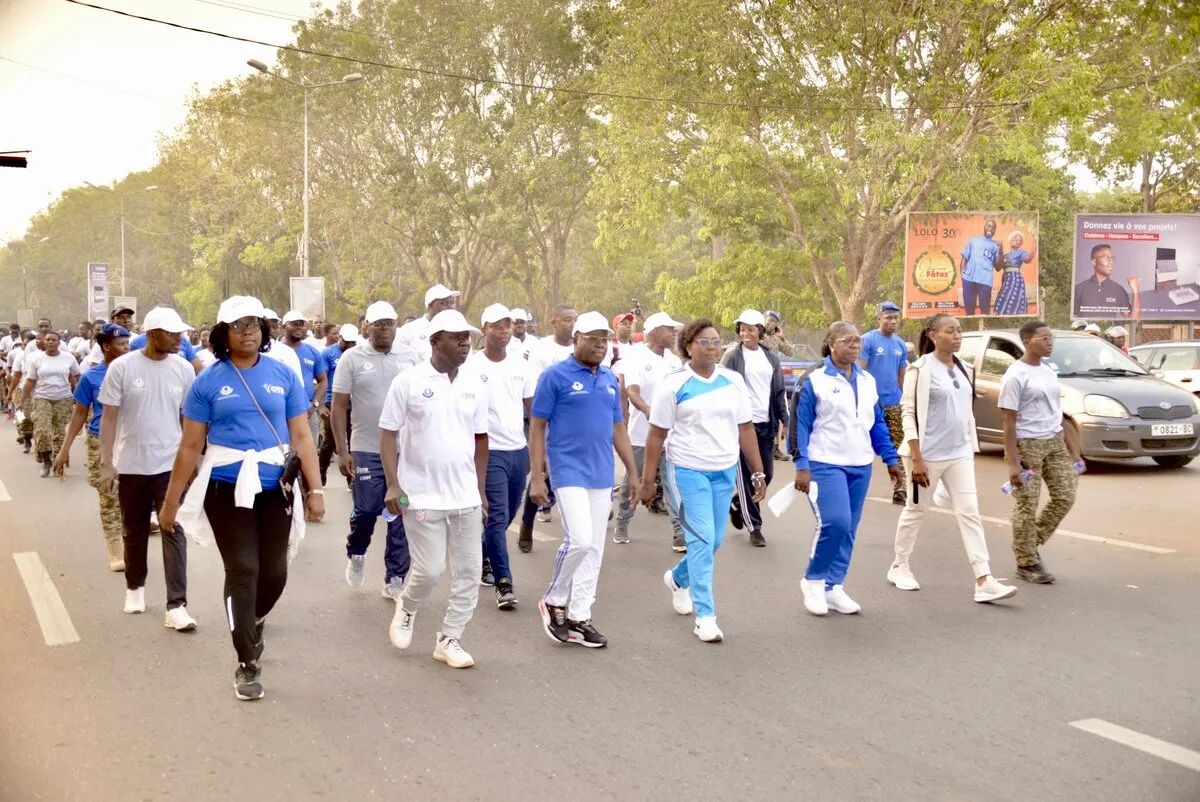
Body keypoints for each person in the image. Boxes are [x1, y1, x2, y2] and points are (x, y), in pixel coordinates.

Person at [159, 296, 325, 701]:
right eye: (238, 325)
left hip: (276, 487)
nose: (248, 330)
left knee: (275, 573)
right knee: (243, 569)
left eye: (253, 323)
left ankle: (254, 619)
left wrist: (316, 488)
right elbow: (189, 446)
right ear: (223, 335)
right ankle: (246, 660)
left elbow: (301, 435)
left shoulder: (282, 374)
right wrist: (170, 503)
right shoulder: (207, 382)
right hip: (225, 486)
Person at [642, 319, 765, 642]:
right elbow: (656, 435)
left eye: (716, 342)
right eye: (704, 342)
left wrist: (757, 471)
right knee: (700, 541)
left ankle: (678, 579)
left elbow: (746, 428)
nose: (712, 348)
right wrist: (646, 480)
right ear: (688, 347)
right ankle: (706, 615)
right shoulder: (673, 384)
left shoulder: (733, 381)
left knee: (714, 541)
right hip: (686, 470)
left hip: (724, 469)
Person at [382, 310, 488, 669]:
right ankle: (407, 607)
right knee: (429, 571)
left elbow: (481, 438)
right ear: (434, 341)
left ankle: (450, 638)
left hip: (465, 496)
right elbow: (388, 433)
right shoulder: (409, 381)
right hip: (421, 493)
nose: (464, 343)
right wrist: (394, 483)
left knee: (470, 572)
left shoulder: (474, 383)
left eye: (467, 337)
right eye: (456, 337)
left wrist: (481, 489)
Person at [887, 314, 1018, 603]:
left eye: (959, 331)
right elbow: (908, 413)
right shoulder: (919, 370)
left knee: (970, 511)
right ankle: (899, 566)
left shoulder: (965, 368)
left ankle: (984, 579)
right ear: (933, 335)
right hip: (926, 455)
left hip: (959, 452)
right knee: (916, 510)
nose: (957, 335)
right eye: (951, 331)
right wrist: (917, 457)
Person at [531, 311, 640, 649]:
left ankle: (580, 616)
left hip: (601, 473)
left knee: (594, 548)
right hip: (567, 470)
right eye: (592, 338)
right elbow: (537, 428)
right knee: (578, 540)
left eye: (604, 339)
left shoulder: (609, 378)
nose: (599, 344)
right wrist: (537, 476)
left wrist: (633, 472)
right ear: (575, 338)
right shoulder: (555, 376)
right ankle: (554, 599)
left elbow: (617, 428)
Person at [96, 308, 197, 630]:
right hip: (132, 464)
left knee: (172, 528)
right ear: (152, 334)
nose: (180, 338)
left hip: (170, 464)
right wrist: (107, 463)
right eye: (173, 333)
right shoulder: (122, 367)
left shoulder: (183, 369)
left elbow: (189, 419)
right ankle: (135, 587)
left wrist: (192, 461)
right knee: (135, 530)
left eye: (181, 332)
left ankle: (176, 605)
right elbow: (109, 418)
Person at [793, 322, 902, 617]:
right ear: (830, 343)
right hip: (824, 463)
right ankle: (813, 581)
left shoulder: (867, 380)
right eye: (848, 340)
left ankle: (834, 586)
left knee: (850, 529)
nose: (855, 345)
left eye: (858, 341)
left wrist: (891, 459)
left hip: (860, 464)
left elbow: (876, 422)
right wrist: (801, 464)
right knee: (836, 523)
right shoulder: (814, 380)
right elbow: (799, 425)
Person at [333, 302, 416, 597]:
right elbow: (339, 405)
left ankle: (395, 576)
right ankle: (357, 552)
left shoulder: (410, 357)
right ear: (366, 326)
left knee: (401, 512)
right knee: (367, 510)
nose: (384, 329)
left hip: (404, 449)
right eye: (378, 324)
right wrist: (342, 451)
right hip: (366, 447)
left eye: (389, 323)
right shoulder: (351, 359)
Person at [998, 321, 1082, 584]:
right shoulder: (1015, 375)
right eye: (1044, 338)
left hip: (1055, 441)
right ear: (1027, 342)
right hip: (1027, 445)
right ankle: (1027, 562)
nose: (1050, 342)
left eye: (1051, 338)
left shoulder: (1048, 372)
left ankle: (1029, 542)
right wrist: (1013, 463)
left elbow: (1059, 413)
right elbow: (1008, 421)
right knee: (1027, 504)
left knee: (1065, 496)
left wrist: (1075, 453)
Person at [465, 304, 536, 610]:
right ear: (485, 330)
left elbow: (534, 413)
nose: (504, 330)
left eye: (508, 325)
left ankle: (484, 555)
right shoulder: (470, 367)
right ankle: (503, 582)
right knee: (496, 517)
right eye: (497, 326)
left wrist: (541, 454)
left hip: (518, 452)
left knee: (505, 517)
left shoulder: (522, 366)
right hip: (488, 452)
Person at [53, 323, 131, 571]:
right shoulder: (91, 376)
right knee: (108, 495)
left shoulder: (137, 372)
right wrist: (65, 448)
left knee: (131, 495)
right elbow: (80, 414)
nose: (127, 348)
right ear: (106, 346)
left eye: (128, 342)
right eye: (121, 344)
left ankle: (131, 543)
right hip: (101, 440)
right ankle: (115, 550)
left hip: (132, 440)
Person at [612, 311, 685, 549]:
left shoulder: (674, 361)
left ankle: (679, 532)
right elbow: (631, 390)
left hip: (670, 435)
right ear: (654, 332)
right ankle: (622, 523)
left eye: (675, 330)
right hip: (642, 434)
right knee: (634, 481)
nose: (674, 333)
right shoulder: (635, 355)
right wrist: (647, 409)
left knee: (672, 483)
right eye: (669, 330)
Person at [720, 309, 786, 547]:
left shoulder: (770, 358)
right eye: (742, 329)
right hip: (740, 426)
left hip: (765, 424)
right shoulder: (732, 357)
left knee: (766, 474)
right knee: (748, 478)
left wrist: (784, 419)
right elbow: (722, 389)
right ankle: (754, 526)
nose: (746, 333)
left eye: (751, 329)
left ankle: (739, 504)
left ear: (760, 331)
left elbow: (778, 391)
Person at [517, 304, 578, 552]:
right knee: (542, 473)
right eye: (566, 319)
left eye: (575, 320)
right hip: (550, 421)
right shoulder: (541, 349)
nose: (571, 324)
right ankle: (527, 523)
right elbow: (536, 387)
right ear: (553, 322)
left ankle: (577, 534)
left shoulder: (581, 347)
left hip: (577, 423)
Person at [859, 301, 909, 505]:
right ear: (879, 318)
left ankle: (900, 488)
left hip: (893, 404)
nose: (892, 321)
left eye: (896, 318)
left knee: (898, 447)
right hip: (870, 405)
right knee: (862, 445)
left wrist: (905, 401)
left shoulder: (900, 345)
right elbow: (859, 372)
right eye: (888, 317)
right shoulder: (867, 340)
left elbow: (902, 376)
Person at [19, 330, 79, 476]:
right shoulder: (36, 359)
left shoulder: (68, 358)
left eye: (54, 340)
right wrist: (21, 400)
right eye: (48, 340)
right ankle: (46, 460)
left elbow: (76, 376)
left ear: (59, 343)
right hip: (42, 398)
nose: (51, 342)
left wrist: (77, 395)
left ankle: (58, 462)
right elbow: (30, 381)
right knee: (42, 430)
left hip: (63, 398)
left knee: (59, 433)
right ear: (44, 342)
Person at [279, 310, 329, 446]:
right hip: (280, 411)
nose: (299, 327)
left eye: (302, 324)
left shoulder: (312, 352)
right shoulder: (274, 350)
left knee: (309, 453)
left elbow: (323, 381)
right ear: (283, 326)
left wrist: (314, 405)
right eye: (294, 324)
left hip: (307, 411)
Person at [319, 324, 357, 485]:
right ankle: (321, 473)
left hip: (353, 401)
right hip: (332, 401)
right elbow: (322, 379)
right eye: (346, 341)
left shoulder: (357, 352)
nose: (349, 345)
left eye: (352, 342)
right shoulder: (328, 353)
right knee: (331, 440)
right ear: (340, 337)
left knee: (352, 439)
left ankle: (351, 478)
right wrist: (321, 404)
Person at [395, 283, 461, 361]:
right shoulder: (409, 330)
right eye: (444, 303)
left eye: (452, 302)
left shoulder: (460, 331)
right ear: (430, 305)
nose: (450, 307)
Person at [1074, 244, 1141, 320]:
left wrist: (1136, 291)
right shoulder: (1079, 289)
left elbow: (1133, 319)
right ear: (1094, 262)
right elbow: (1074, 318)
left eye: (1112, 258)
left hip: (1108, 332)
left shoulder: (1118, 290)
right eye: (1106, 258)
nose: (1111, 262)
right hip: (1086, 332)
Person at [959, 219, 1002, 316]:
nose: (990, 229)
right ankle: (971, 330)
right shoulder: (973, 240)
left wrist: (1001, 250)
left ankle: (984, 331)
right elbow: (964, 258)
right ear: (984, 227)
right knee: (969, 311)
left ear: (995, 231)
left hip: (985, 281)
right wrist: (962, 275)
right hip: (969, 279)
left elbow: (998, 267)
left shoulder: (996, 246)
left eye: (993, 227)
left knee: (985, 311)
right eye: (988, 226)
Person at [993, 231, 1036, 315]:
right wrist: (999, 250)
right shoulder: (1004, 255)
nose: (1017, 241)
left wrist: (1035, 244)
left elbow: (1028, 259)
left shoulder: (1021, 252)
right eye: (1015, 238)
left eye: (1020, 240)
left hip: (1015, 280)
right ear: (1010, 239)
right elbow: (998, 267)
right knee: (1001, 300)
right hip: (1006, 281)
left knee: (1011, 299)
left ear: (1021, 243)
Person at [8, 331, 36, 452]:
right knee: (25, 417)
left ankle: (41, 443)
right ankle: (27, 440)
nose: (27, 347)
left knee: (38, 418)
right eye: (25, 344)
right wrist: (10, 393)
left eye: (30, 344)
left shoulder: (42, 357)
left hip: (39, 392)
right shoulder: (19, 357)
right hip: (23, 390)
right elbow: (16, 376)